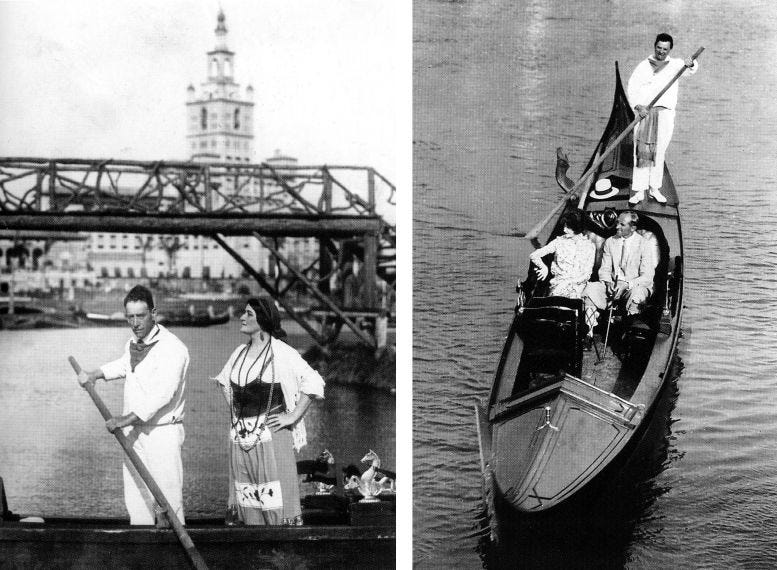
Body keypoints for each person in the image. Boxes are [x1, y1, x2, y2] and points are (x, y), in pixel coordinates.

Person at [77, 285, 190, 525]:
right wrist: (95, 374)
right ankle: (141, 546)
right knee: (137, 497)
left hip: (162, 432)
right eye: (130, 316)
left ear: (154, 313)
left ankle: (173, 553)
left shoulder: (173, 348)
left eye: (141, 315)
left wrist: (123, 420)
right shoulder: (133, 342)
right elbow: (124, 364)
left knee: (168, 497)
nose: (135, 322)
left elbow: (163, 395)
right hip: (134, 433)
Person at [212, 296, 325, 525]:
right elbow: (224, 382)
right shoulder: (239, 353)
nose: (242, 317)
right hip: (241, 442)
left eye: (249, 314)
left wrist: (292, 416)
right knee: (249, 506)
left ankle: (282, 556)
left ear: (262, 320)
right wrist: (237, 416)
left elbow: (314, 382)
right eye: (244, 313)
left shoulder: (281, 353)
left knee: (276, 508)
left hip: (271, 440)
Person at [627, 33, 699, 205]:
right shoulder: (644, 66)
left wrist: (691, 63)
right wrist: (638, 107)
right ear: (654, 46)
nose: (661, 51)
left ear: (669, 50)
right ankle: (639, 191)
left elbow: (691, 68)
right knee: (642, 152)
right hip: (646, 113)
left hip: (665, 115)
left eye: (665, 49)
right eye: (659, 48)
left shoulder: (675, 65)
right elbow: (632, 87)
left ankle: (654, 189)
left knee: (659, 153)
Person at [582, 212, 655, 348]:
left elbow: (647, 276)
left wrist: (627, 284)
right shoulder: (610, 242)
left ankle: (627, 334)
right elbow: (604, 269)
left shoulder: (644, 244)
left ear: (632, 228)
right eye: (617, 223)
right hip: (612, 285)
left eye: (622, 224)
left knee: (637, 294)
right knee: (591, 289)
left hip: (633, 286)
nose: (617, 227)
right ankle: (589, 334)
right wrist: (608, 282)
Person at [529, 210, 596, 299]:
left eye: (568, 227)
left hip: (579, 286)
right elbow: (534, 255)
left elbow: (587, 274)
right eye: (564, 226)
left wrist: (569, 283)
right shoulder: (558, 242)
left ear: (577, 227)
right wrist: (544, 268)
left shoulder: (589, 246)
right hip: (558, 285)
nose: (564, 230)